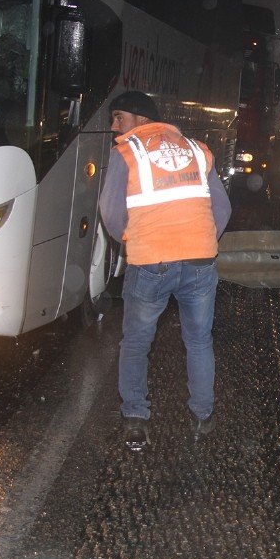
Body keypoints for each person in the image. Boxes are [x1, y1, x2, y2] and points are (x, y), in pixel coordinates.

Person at [99, 90, 232, 452]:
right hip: (200, 262)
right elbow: (221, 207)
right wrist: (202, 239)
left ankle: (136, 421)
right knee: (199, 340)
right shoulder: (196, 148)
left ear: (141, 119)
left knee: (137, 342)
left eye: (119, 117)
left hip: (151, 262)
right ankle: (203, 418)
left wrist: (136, 238)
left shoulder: (127, 151)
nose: (114, 127)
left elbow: (111, 214)